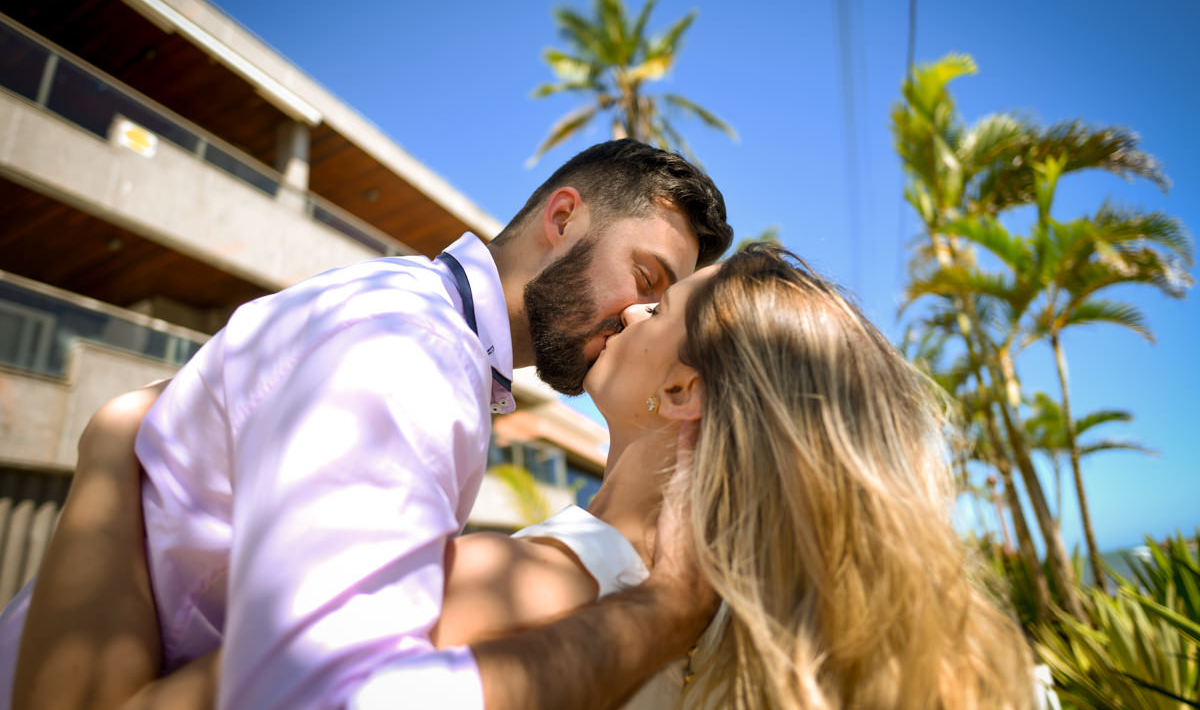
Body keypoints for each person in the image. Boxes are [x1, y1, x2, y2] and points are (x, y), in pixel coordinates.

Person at [11, 246, 1039, 710]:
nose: (630, 315)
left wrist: (112, 446)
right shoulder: (846, 628)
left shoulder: (558, 580)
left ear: (684, 390)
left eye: (659, 304)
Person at [0, 138, 734, 710]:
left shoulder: (418, 336)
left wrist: (112, 437)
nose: (639, 314)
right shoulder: (407, 350)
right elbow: (327, 689)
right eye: (646, 280)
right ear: (564, 218)